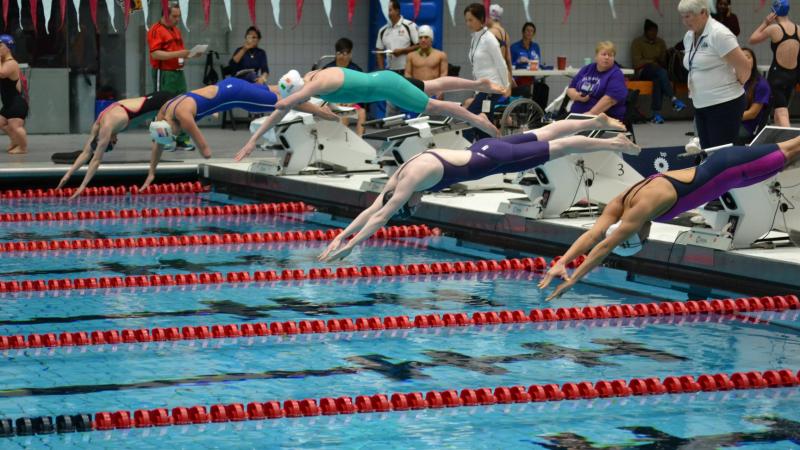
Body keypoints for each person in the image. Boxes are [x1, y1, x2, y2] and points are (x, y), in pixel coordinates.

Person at [317, 114, 640, 263]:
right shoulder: (400, 177)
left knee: (562, 147)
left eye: (412, 207)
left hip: (496, 159)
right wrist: (338, 237)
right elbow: (372, 209)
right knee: (548, 131)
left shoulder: (409, 183)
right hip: (486, 150)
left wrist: (352, 246)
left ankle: (614, 142)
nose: (416, 205)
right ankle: (594, 120)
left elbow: (381, 216)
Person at [539, 136, 800, 301]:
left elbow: (603, 246)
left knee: (793, 150)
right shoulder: (620, 202)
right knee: (792, 154)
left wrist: (573, 279)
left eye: (643, 239)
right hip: (734, 172)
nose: (648, 236)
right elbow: (593, 235)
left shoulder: (639, 211)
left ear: (634, 234)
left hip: (734, 168)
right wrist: (563, 262)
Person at [236, 67, 508, 160]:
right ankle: (477, 84)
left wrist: (265, 103)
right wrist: (250, 141)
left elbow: (285, 106)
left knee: (431, 105)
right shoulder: (310, 77)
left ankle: (476, 118)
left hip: (389, 87)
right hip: (386, 81)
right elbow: (291, 101)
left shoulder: (317, 83)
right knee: (432, 85)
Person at [142, 77, 337, 190]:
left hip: (237, 95)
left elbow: (206, 150)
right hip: (231, 84)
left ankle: (320, 110)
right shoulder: (165, 110)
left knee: (282, 102)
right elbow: (157, 143)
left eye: (174, 134)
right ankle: (316, 82)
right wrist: (152, 173)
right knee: (274, 91)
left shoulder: (183, 116)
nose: (177, 134)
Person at [57, 92, 175, 198]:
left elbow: (96, 160)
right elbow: (86, 153)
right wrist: (68, 175)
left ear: (107, 140)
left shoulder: (107, 128)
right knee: (161, 137)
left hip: (166, 103)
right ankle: (151, 173)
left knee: (161, 139)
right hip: (160, 100)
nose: (116, 141)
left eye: (113, 143)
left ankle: (151, 174)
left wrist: (82, 186)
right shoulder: (97, 126)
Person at [679, 0, 749, 149]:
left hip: (724, 103)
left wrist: (740, 82)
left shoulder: (719, 34)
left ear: (703, 12)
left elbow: (744, 65)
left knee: (721, 156)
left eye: (688, 16)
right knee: (707, 152)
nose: (684, 21)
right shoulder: (689, 37)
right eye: (683, 17)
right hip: (701, 103)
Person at [147, 2, 204, 151]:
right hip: (164, 73)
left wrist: (191, 55)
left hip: (178, 73)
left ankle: (181, 139)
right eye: (174, 16)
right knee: (164, 106)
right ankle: (162, 139)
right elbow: (155, 53)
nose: (177, 19)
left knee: (183, 105)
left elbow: (180, 54)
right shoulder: (155, 30)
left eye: (179, 16)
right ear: (166, 14)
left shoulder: (176, 31)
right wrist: (179, 54)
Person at [463, 3, 511, 141]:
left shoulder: (489, 38)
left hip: (492, 88)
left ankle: (470, 149)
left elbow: (501, 64)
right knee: (484, 125)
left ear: (481, 19)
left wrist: (506, 86)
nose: (468, 23)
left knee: (470, 120)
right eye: (466, 20)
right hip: (482, 88)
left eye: (471, 20)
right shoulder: (475, 38)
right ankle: (488, 152)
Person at [748, 0, 799, 128]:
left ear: (774, 12)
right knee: (780, 110)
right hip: (793, 75)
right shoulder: (799, 29)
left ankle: (792, 143)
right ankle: (781, 141)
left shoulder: (774, 28)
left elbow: (752, 39)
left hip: (778, 76)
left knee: (781, 112)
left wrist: (765, 23)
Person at [631, 19, 687, 124]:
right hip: (642, 71)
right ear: (646, 31)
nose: (654, 33)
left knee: (657, 80)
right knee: (660, 73)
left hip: (658, 72)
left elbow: (664, 61)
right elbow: (636, 62)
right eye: (651, 31)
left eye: (655, 31)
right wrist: (651, 61)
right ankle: (673, 99)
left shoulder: (660, 42)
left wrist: (666, 56)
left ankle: (656, 114)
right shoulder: (637, 42)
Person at [567, 41, 627, 122]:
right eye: (604, 54)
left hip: (601, 119)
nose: (607, 57)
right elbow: (570, 89)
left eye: (610, 55)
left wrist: (591, 114)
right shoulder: (587, 69)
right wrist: (577, 96)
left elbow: (610, 100)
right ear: (596, 56)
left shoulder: (616, 74)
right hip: (577, 116)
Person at [325, 38, 367, 136]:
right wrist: (335, 101)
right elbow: (323, 91)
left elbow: (361, 91)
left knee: (362, 112)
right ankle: (342, 140)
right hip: (333, 103)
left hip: (350, 103)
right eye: (340, 53)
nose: (343, 57)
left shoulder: (356, 70)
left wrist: (352, 101)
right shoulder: (328, 69)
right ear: (336, 53)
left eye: (345, 53)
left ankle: (360, 141)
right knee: (344, 115)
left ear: (350, 54)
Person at [404, 25, 448, 100]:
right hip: (417, 91)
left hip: (434, 91)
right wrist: (410, 90)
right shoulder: (411, 56)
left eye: (426, 37)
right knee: (417, 111)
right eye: (420, 38)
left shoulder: (440, 55)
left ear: (431, 39)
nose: (423, 40)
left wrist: (441, 90)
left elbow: (443, 74)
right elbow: (408, 74)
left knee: (435, 111)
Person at [0, 34, 27, 155]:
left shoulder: (11, 63)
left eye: (0, 46)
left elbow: (1, 73)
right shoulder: (4, 62)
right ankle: (15, 141)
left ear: (8, 47)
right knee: (1, 123)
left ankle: (23, 147)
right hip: (8, 103)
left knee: (15, 126)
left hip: (16, 103)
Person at [375, 0, 419, 73]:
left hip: (408, 71)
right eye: (387, 11)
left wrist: (402, 51)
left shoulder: (409, 26)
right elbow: (379, 52)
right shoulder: (382, 30)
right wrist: (382, 71)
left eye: (390, 10)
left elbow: (419, 46)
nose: (388, 13)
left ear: (397, 11)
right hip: (390, 71)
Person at [739, 47, 771, 142]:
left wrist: (729, 118)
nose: (744, 60)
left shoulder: (761, 84)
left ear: (754, 62)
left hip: (747, 126)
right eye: (740, 57)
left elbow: (752, 114)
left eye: (747, 57)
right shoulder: (733, 81)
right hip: (734, 121)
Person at [487, 4, 515, 89]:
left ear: (490, 17)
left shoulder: (489, 33)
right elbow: (508, 59)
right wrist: (511, 77)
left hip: (491, 76)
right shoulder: (505, 34)